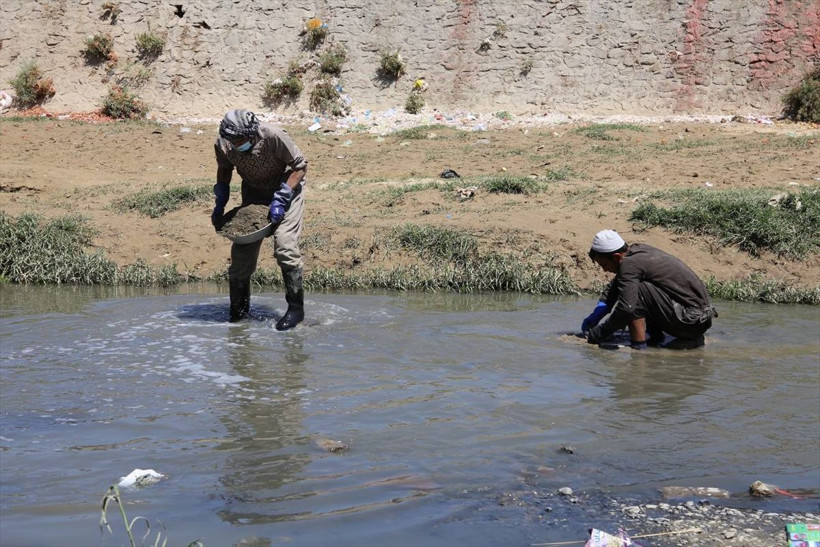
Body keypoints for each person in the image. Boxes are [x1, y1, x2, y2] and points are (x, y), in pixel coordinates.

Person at [211, 109, 307, 330]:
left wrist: (281, 198)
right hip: (253, 192)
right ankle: (239, 311)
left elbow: (299, 166)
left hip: (287, 190)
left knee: (285, 246)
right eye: (234, 140)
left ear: (252, 134)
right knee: (241, 257)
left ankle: (295, 310)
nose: (238, 144)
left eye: (242, 140)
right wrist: (221, 199)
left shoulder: (272, 136)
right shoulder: (223, 143)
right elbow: (224, 168)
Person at [581, 229, 717, 350]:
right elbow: (617, 284)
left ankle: (639, 348)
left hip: (690, 324)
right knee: (635, 288)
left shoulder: (629, 264)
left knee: (635, 293)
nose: (605, 270)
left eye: (604, 264)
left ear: (616, 257)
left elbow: (626, 308)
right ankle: (655, 338)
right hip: (698, 322)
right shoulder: (637, 252)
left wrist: (600, 333)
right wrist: (598, 313)